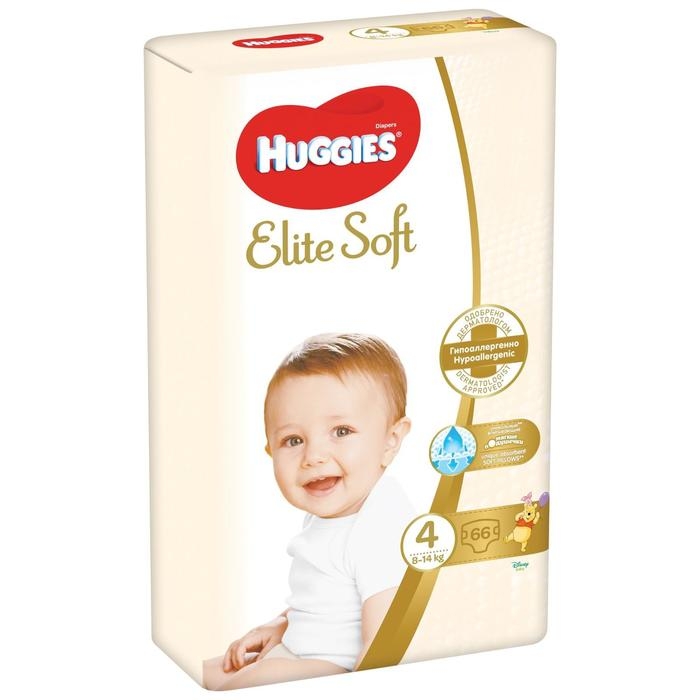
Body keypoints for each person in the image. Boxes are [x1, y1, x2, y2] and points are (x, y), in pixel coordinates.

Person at [203, 333, 415, 690]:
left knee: (242, 683)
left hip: (334, 668)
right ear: (271, 450)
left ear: (390, 440)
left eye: (341, 431)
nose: (313, 456)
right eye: (293, 440)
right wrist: (281, 624)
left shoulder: (383, 519)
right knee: (206, 671)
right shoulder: (331, 511)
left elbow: (387, 640)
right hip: (300, 652)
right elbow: (326, 600)